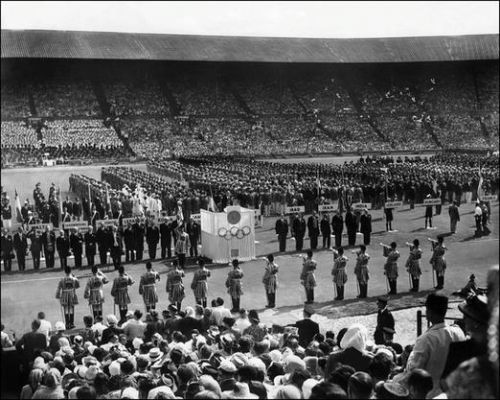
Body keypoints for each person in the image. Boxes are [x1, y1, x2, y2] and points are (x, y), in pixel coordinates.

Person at [405, 292, 465, 398]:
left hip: (432, 394)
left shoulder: (425, 339)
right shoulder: (458, 332)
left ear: (430, 312)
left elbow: (413, 371)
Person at [441, 293, 489, 381]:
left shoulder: (458, 351)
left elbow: (445, 385)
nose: (463, 319)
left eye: (466, 316)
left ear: (476, 323)